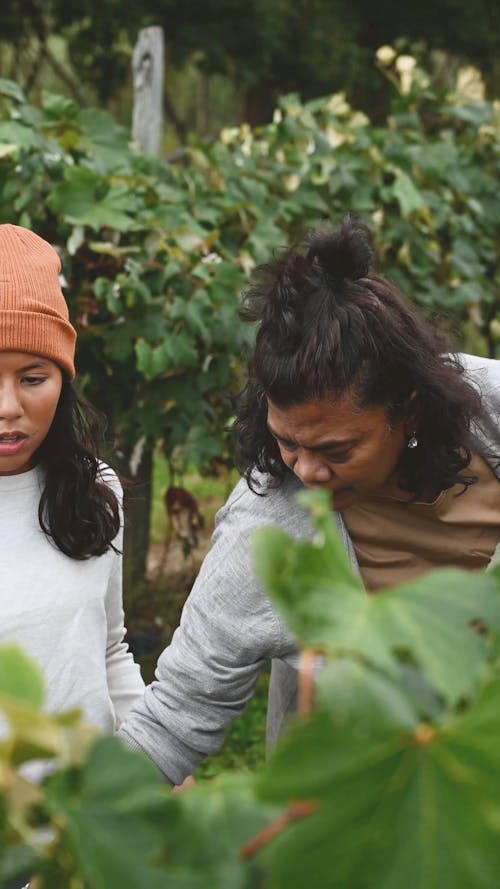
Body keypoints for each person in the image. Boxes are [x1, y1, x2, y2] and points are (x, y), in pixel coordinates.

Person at [119, 214, 500, 785]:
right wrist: (69, 840)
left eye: (336, 449)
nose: (308, 470)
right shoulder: (267, 530)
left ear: (410, 408)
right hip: (352, 809)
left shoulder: (489, 408)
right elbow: (175, 714)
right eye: (287, 441)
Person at [0, 223, 144, 738]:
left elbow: (108, 650)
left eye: (33, 378)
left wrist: (160, 766)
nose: (9, 408)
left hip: (84, 810)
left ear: (64, 378)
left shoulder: (94, 492)